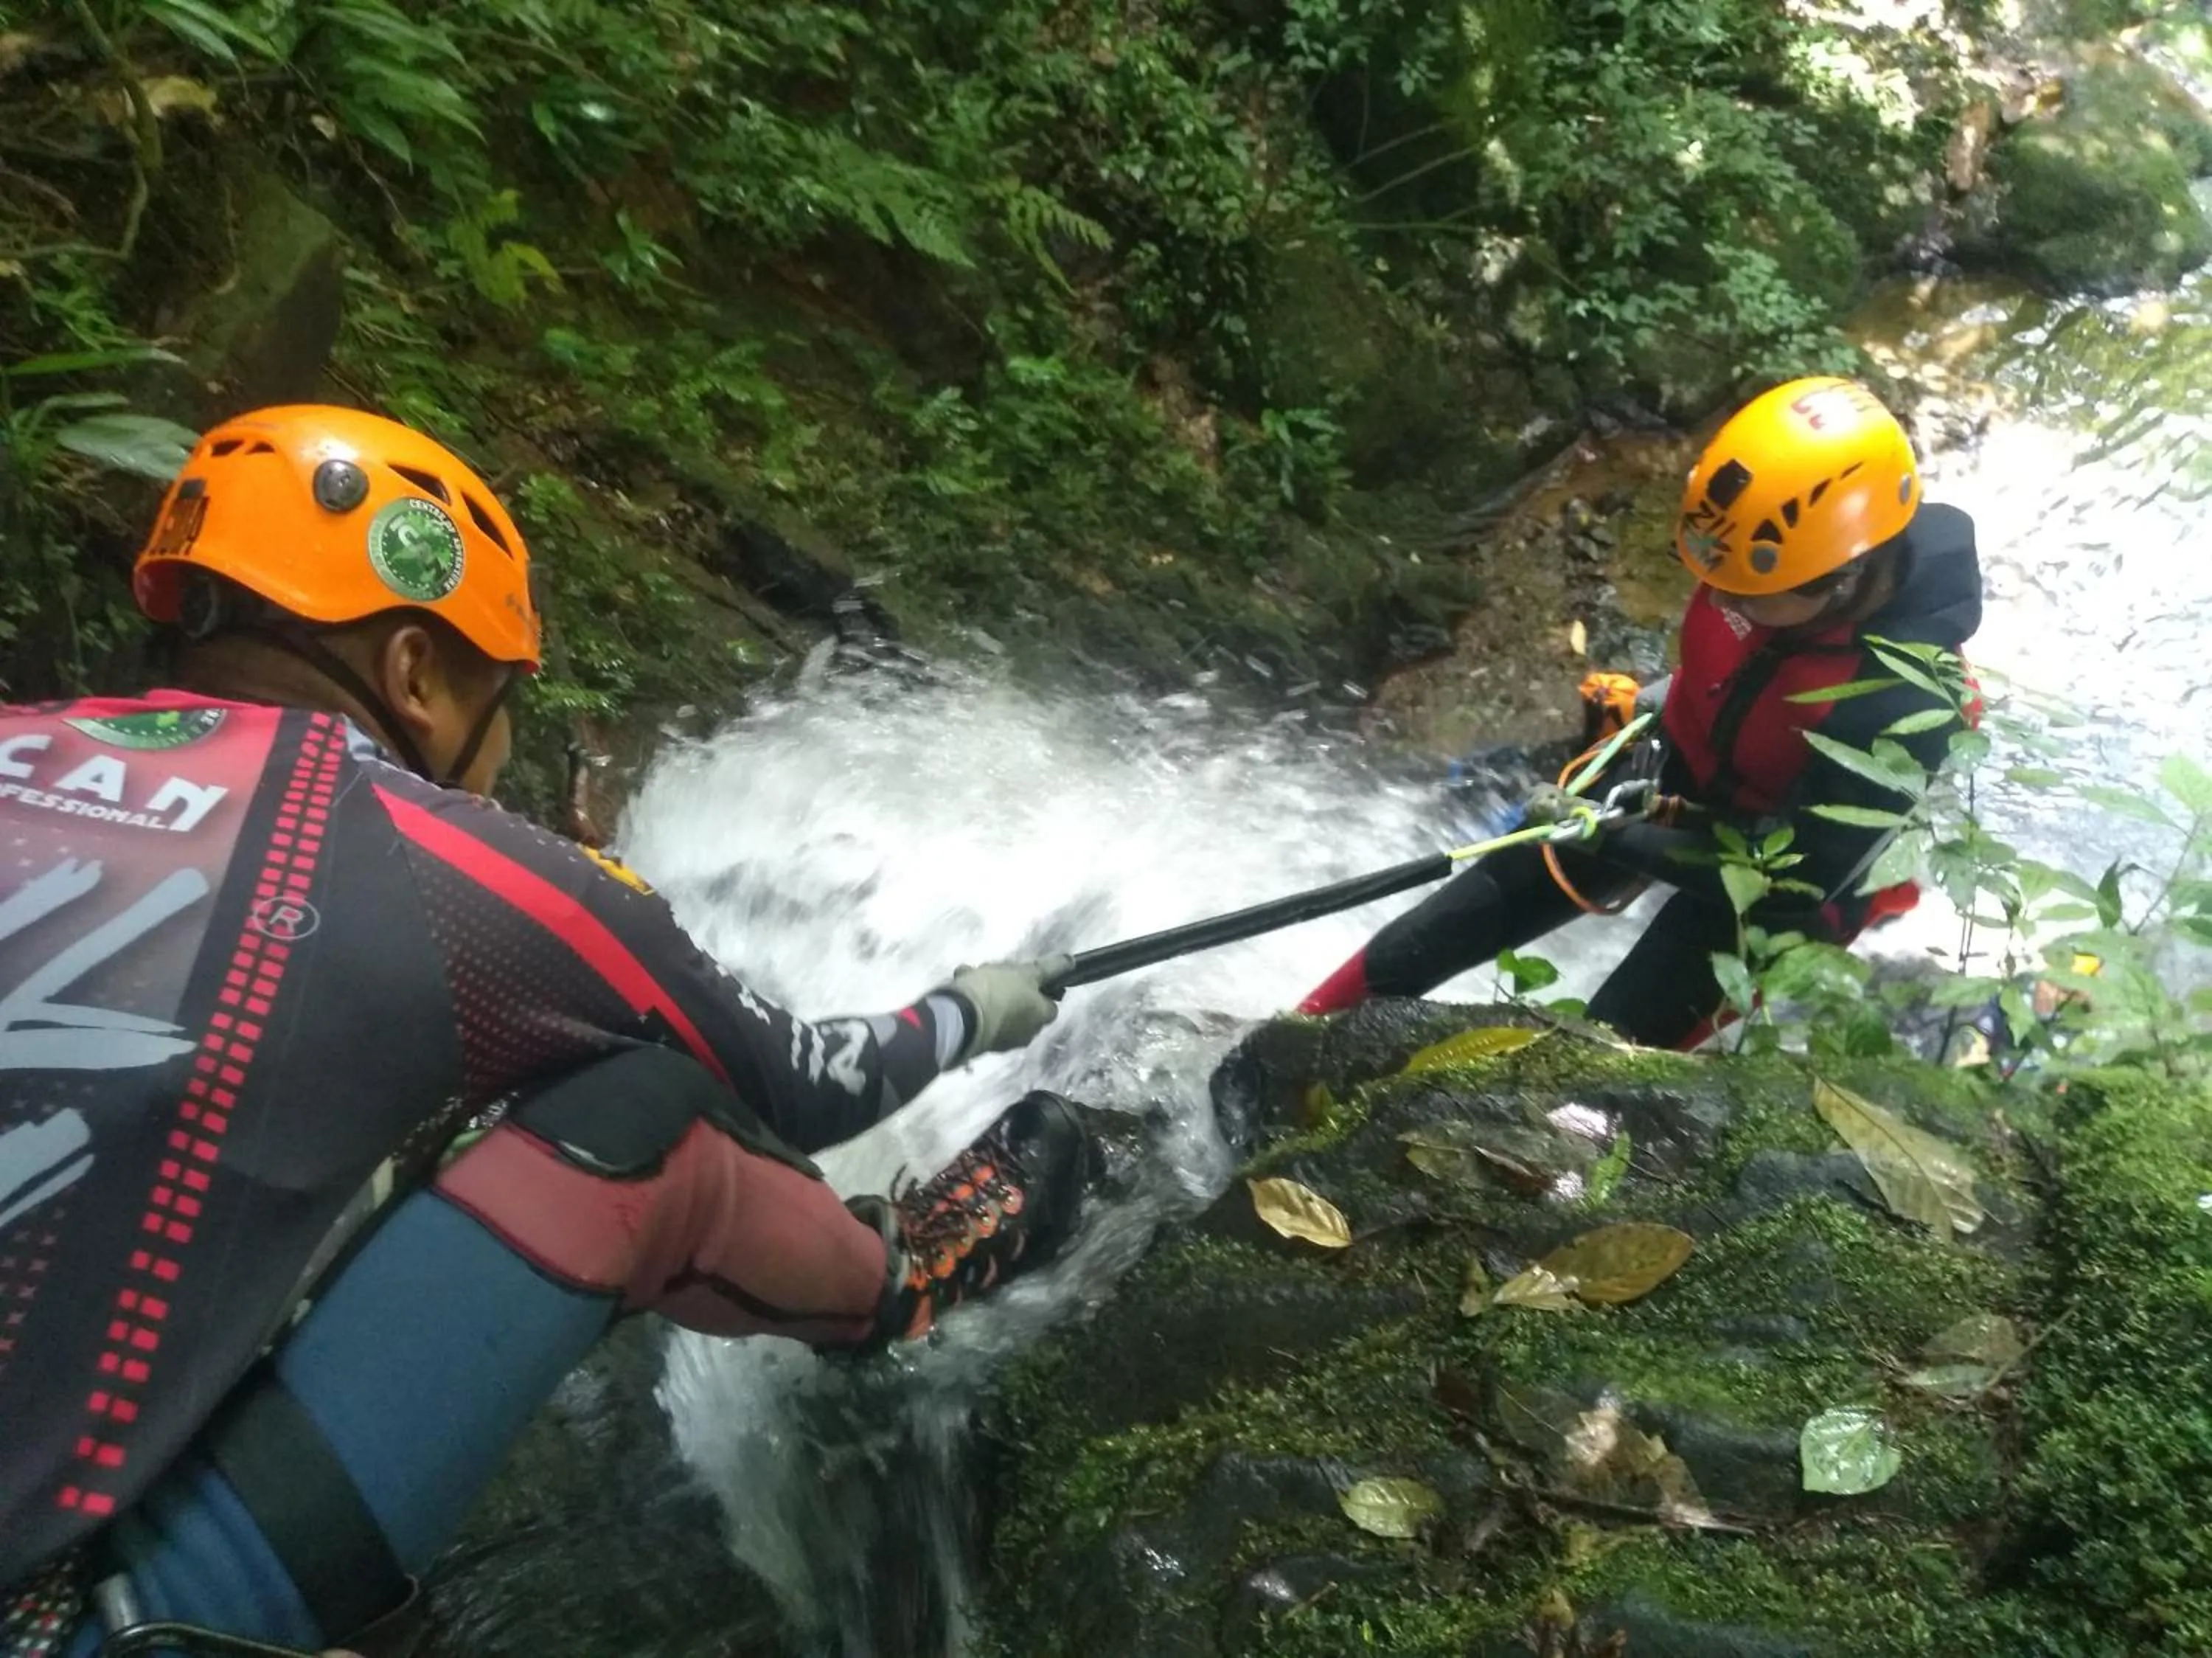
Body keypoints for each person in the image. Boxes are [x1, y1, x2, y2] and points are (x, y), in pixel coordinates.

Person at [0, 406, 1093, 1658]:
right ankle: (901, 1279)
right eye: (500, 691)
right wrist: (970, 1008)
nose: (507, 740)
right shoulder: (449, 863)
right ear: (414, 671)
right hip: (68, 1624)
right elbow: (796, 1086)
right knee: (640, 1114)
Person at [1299, 376, 1985, 1048]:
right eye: (1716, 581)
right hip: (1668, 777)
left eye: (1749, 595)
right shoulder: (1757, 573)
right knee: (1438, 932)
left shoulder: (1906, 698)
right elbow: (1741, 681)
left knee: (1607, 1049)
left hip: (1779, 880)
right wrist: (1652, 705)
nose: (1721, 602)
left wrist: (1607, 835)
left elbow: (1790, 880)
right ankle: (1291, 1040)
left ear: (1845, 579)